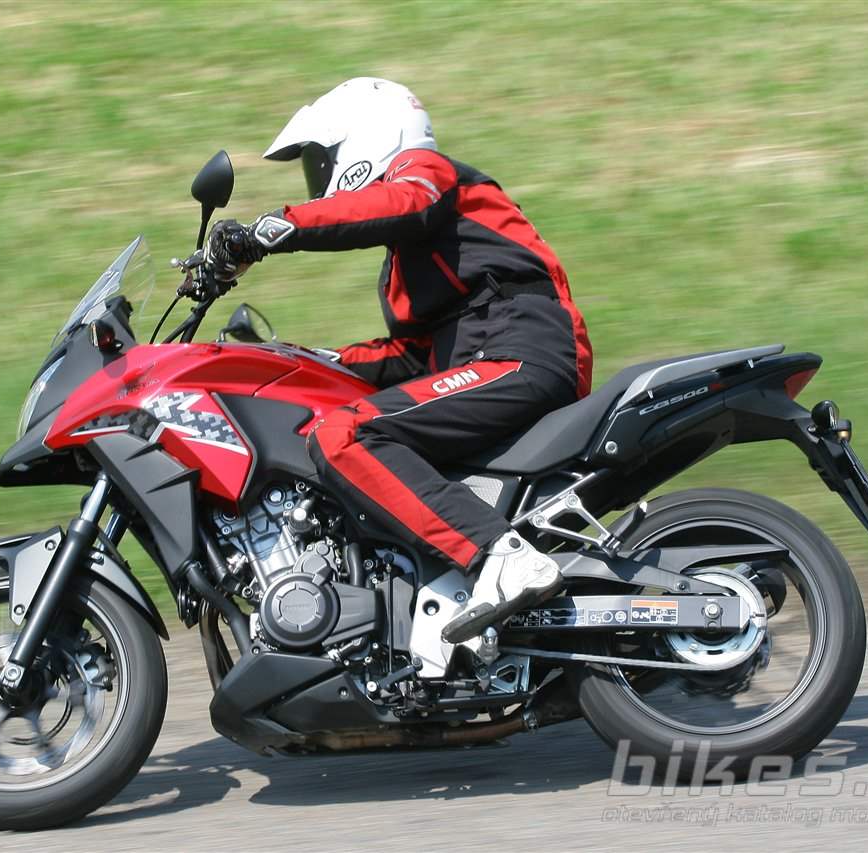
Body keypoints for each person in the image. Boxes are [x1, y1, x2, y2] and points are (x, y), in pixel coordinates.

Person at [205, 78, 593, 645]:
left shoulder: (425, 173)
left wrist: (274, 228)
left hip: (522, 352)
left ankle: (501, 556)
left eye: (321, 160)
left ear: (368, 138)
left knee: (345, 435)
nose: (319, 178)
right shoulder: (418, 258)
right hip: (494, 357)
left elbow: (401, 203)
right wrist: (302, 360)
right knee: (343, 423)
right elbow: (415, 357)